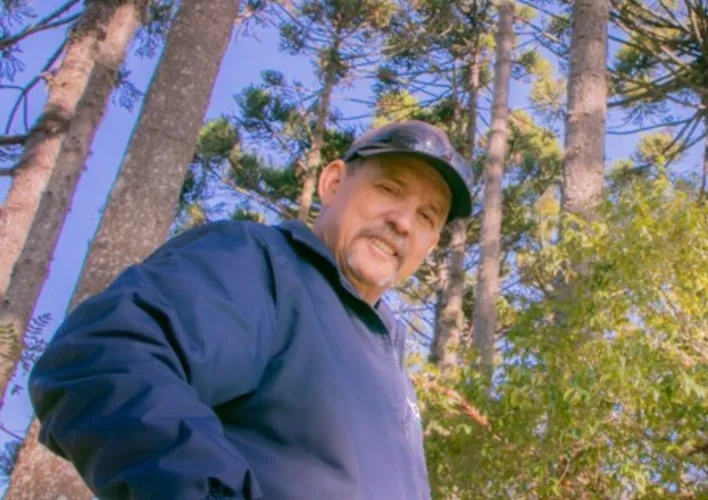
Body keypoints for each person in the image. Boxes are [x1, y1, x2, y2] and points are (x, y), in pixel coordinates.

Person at [26, 120, 474, 500]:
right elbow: (105, 357)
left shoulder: (393, 369)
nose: (403, 221)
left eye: (427, 217)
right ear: (334, 183)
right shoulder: (263, 266)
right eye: (389, 188)